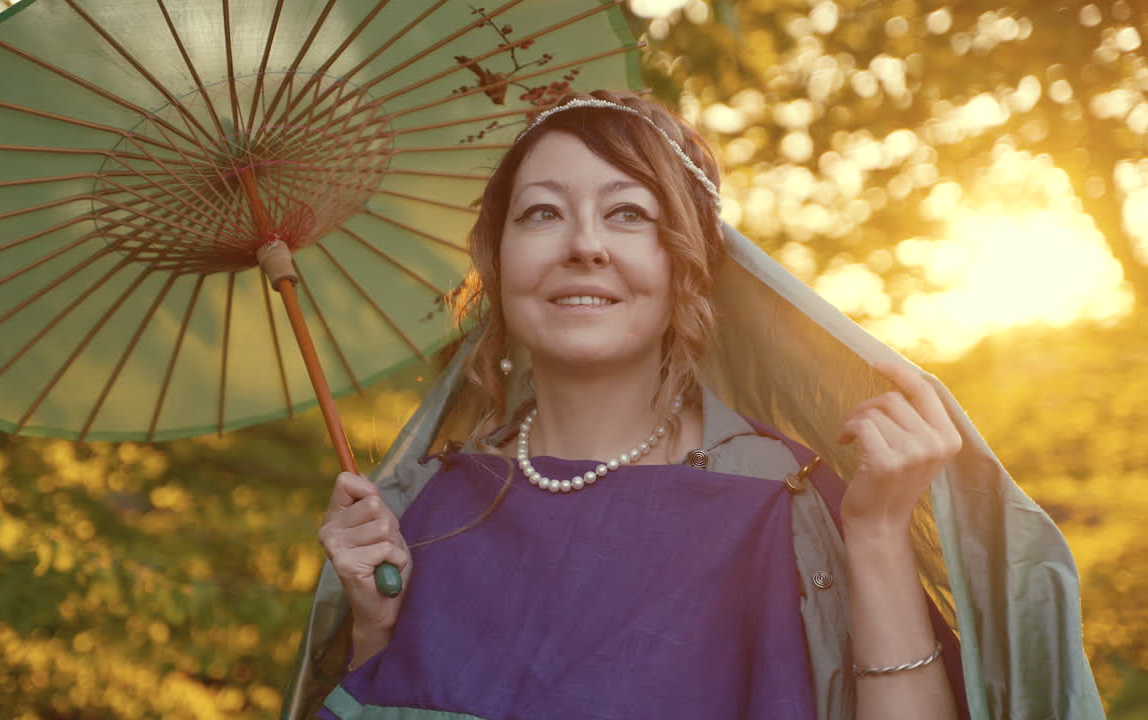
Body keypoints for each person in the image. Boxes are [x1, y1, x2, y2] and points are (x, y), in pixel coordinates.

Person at [283, 91, 1103, 720]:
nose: (584, 244)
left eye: (628, 213)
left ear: (689, 266)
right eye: (541, 213)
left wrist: (881, 532)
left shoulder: (780, 496)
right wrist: (377, 631)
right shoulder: (423, 508)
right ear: (495, 264)